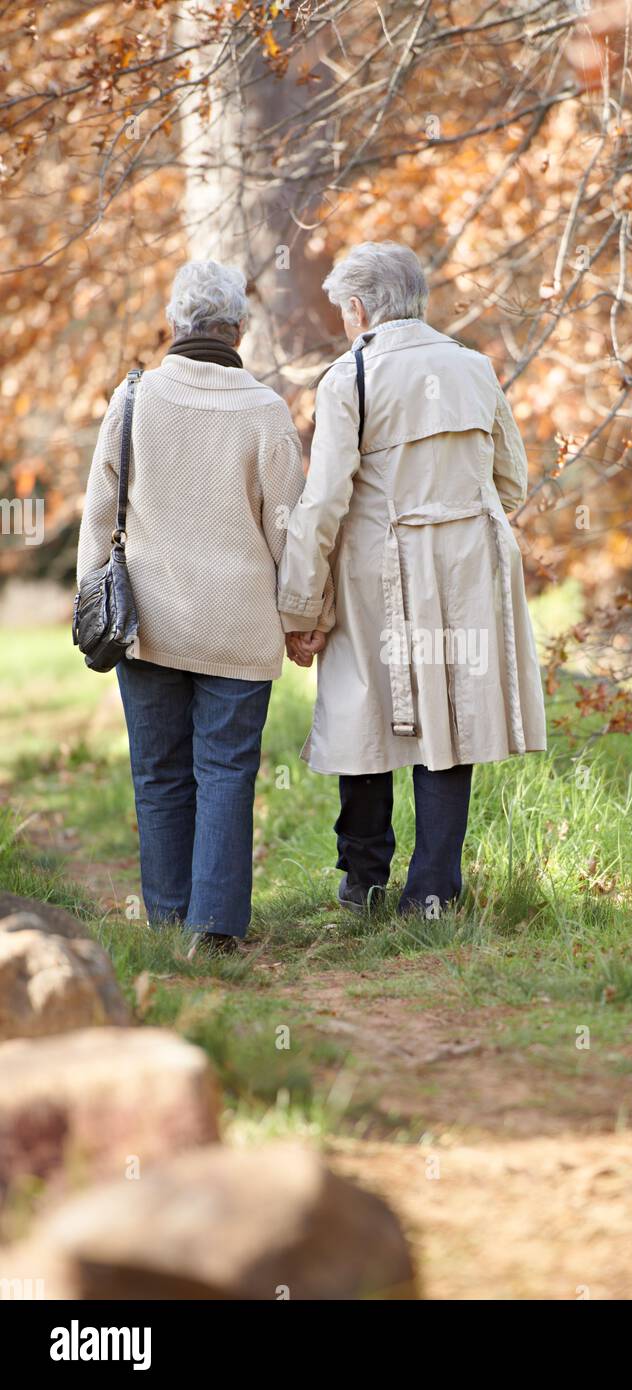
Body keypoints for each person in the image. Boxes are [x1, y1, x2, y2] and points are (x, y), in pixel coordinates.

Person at [281, 241, 546, 916]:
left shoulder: (351, 377)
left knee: (359, 712)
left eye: (344, 308)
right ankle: (433, 891)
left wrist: (302, 606)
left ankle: (364, 882)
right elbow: (511, 481)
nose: (345, 320)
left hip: (380, 566)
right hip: (467, 564)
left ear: (360, 307)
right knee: (450, 719)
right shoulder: (473, 366)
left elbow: (323, 502)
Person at [76, 259, 332, 955]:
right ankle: (213, 930)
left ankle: (166, 921)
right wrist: (302, 618)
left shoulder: (133, 399)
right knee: (224, 773)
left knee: (158, 772)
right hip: (237, 629)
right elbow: (289, 528)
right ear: (239, 329)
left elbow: (100, 515)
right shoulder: (264, 411)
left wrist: (91, 603)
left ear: (175, 323)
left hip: (148, 624)